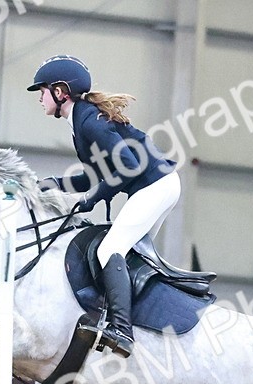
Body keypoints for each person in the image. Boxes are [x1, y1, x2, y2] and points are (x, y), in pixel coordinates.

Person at [28, 55, 179, 358]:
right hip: (160, 185)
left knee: (109, 250)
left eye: (42, 91)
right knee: (128, 254)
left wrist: (92, 199)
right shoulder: (81, 120)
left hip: (155, 186)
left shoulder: (89, 121)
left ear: (60, 92)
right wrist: (54, 184)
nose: (39, 98)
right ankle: (137, 324)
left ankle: (122, 331)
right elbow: (95, 175)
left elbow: (129, 167)